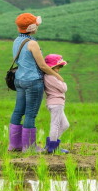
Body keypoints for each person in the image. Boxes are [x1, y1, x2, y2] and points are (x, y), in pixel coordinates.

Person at [8, 13, 64, 152]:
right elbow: (43, 66)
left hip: (19, 80)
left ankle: (14, 145)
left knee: (18, 111)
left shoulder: (16, 41)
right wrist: (57, 77)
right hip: (33, 81)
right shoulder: (32, 43)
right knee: (30, 113)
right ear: (32, 27)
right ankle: (29, 147)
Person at [43, 54, 70, 154]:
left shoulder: (50, 76)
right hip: (56, 103)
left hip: (56, 103)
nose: (59, 69)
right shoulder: (50, 77)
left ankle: (50, 145)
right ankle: (52, 148)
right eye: (58, 67)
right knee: (55, 125)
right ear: (52, 67)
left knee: (65, 125)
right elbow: (64, 88)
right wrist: (63, 82)